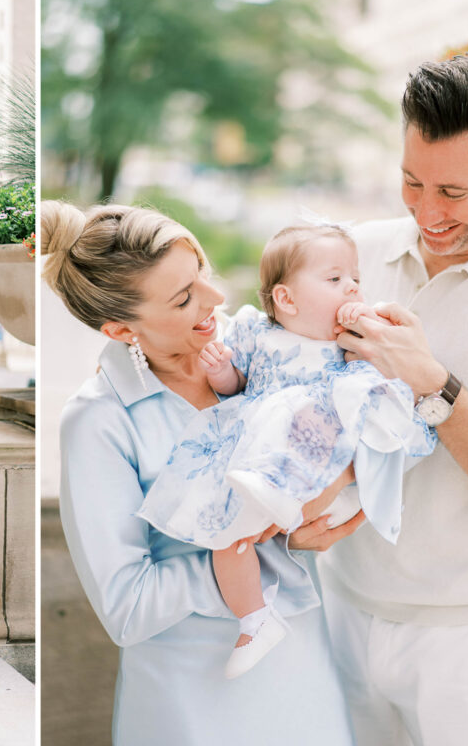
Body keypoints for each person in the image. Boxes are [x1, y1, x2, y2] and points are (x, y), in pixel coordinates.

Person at [42, 200, 362, 745]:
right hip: (192, 695)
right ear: (121, 330)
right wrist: (272, 542)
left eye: (203, 275)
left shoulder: (259, 342)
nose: (215, 299)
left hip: (303, 667)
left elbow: (348, 421)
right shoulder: (97, 421)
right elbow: (128, 606)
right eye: (184, 297)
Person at [318, 51, 468, 746]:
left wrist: (433, 385)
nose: (425, 211)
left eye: (452, 193)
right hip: (337, 615)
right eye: (410, 181)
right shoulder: (352, 254)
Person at [137, 223, 434, 679]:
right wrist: (221, 374)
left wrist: (373, 344)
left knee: (317, 408)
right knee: (227, 536)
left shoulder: (351, 345)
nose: (352, 286)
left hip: (322, 469)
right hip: (257, 464)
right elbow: (238, 389)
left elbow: (378, 400)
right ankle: (255, 619)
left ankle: (279, 493)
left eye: (355, 278)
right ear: (287, 300)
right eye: (334, 279)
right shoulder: (257, 333)